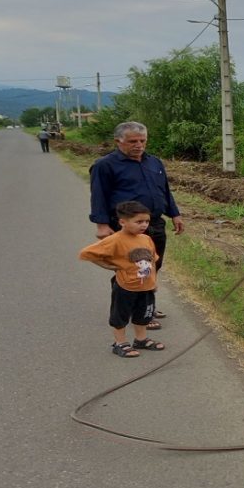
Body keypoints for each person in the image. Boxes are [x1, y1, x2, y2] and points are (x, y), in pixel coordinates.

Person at [89, 121, 185, 331]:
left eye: (143, 140)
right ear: (118, 141)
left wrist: (175, 214)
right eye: (133, 141)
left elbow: (165, 191)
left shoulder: (155, 163)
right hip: (127, 228)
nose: (139, 145)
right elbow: (99, 196)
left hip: (154, 225)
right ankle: (130, 310)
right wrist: (102, 225)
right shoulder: (105, 165)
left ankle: (146, 306)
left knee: (151, 267)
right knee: (131, 269)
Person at [78, 201, 166, 358]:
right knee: (120, 316)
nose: (144, 225)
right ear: (123, 222)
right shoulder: (115, 240)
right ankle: (120, 343)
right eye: (139, 222)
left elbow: (152, 261)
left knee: (144, 315)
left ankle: (141, 339)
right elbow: (89, 253)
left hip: (146, 287)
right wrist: (112, 266)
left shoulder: (146, 239)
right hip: (126, 287)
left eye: (146, 221)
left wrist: (154, 282)